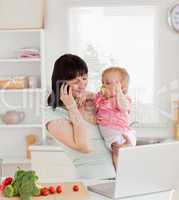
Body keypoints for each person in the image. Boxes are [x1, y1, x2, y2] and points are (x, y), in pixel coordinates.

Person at [45, 54, 130, 179]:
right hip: (92, 183)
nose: (82, 85)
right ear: (62, 83)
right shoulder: (53, 115)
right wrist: (72, 108)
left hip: (117, 179)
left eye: (84, 79)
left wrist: (123, 147)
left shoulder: (91, 102)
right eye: (76, 81)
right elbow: (84, 147)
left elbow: (117, 118)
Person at [93, 67, 136, 169]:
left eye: (107, 83)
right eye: (102, 82)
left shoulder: (123, 99)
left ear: (122, 86)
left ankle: (126, 167)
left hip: (123, 129)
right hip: (109, 130)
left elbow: (124, 107)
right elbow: (92, 100)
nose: (103, 85)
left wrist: (119, 93)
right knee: (116, 150)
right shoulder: (101, 98)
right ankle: (118, 172)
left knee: (131, 140)